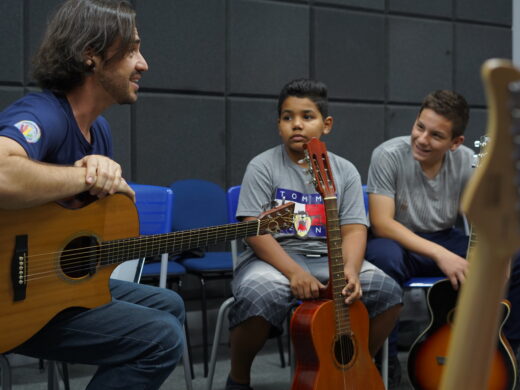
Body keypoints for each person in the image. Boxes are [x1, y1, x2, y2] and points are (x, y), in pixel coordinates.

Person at [0, 1, 185, 389]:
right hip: (11, 299)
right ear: (91, 56)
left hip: (50, 284)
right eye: (132, 50)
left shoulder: (99, 132)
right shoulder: (44, 114)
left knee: (169, 304)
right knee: (160, 337)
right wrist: (83, 177)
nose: (144, 63)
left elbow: (84, 224)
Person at [226, 78, 403, 390]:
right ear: (279, 123)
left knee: (387, 292)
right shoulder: (262, 166)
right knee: (259, 295)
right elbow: (253, 229)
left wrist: (349, 271)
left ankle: (354, 364)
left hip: (328, 255)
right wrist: (294, 272)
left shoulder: (344, 170)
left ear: (327, 124)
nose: (297, 125)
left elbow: (353, 228)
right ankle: (238, 379)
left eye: (307, 116)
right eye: (287, 117)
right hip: (273, 258)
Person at [364, 89, 520, 387]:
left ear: (456, 143)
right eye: (420, 127)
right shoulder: (387, 155)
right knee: (384, 258)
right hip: (398, 239)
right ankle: (385, 358)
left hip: (446, 237)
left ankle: (503, 349)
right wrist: (440, 254)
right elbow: (382, 223)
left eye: (436, 135)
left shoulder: (467, 160)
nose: (422, 139)